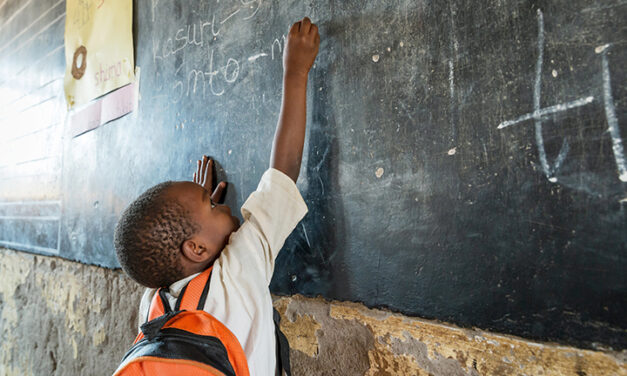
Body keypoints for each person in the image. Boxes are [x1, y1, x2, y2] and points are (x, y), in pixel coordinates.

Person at [113, 17, 320, 375]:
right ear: (195, 248)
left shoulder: (153, 308)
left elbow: (180, 245)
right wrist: (296, 72)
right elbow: (283, 173)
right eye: (211, 204)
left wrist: (199, 214)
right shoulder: (237, 273)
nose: (220, 203)